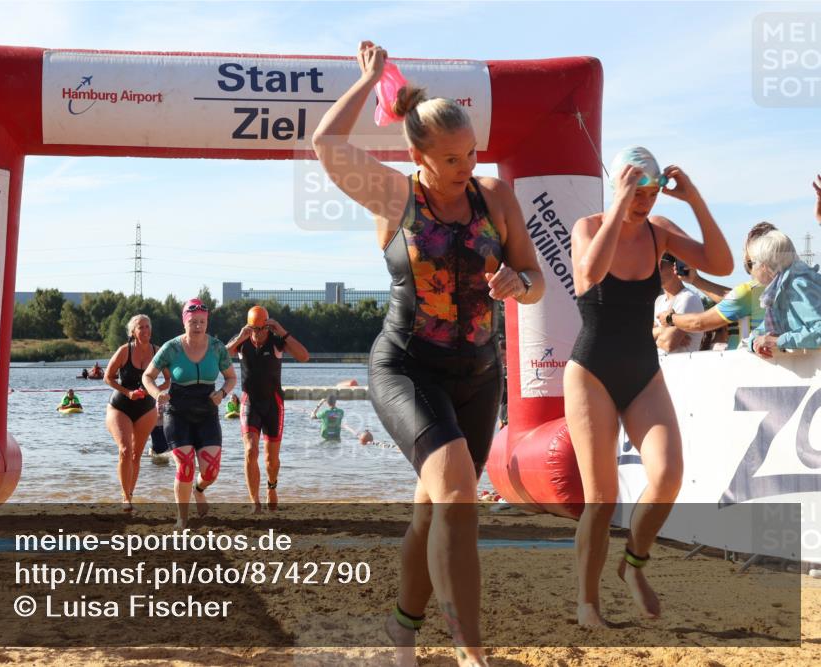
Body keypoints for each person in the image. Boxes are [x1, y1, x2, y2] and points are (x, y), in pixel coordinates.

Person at [313, 41, 544, 667]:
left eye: (471, 152)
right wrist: (366, 82)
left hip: (478, 372)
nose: (466, 165)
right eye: (450, 158)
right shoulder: (396, 197)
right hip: (406, 367)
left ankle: (402, 627)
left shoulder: (494, 197)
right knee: (458, 494)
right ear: (417, 157)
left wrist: (518, 285)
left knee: (433, 507)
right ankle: (470, 653)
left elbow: (536, 277)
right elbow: (326, 146)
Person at [566, 146, 732, 628]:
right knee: (601, 498)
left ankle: (633, 564)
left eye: (651, 191)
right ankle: (587, 603)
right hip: (591, 370)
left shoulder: (660, 232)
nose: (644, 200)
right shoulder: (589, 226)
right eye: (635, 190)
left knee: (668, 475)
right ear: (617, 186)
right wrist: (619, 206)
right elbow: (588, 274)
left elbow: (720, 264)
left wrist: (694, 199)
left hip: (641, 370)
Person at [143, 299, 236, 528]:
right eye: (193, 321)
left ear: (207, 322)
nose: (198, 326)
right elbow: (147, 376)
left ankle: (199, 489)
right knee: (185, 467)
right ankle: (182, 519)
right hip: (178, 413)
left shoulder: (217, 348)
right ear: (185, 322)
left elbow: (231, 377)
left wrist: (223, 393)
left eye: (202, 321)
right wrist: (157, 394)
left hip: (207, 413)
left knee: (211, 472)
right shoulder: (171, 347)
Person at [226, 305, 310, 512]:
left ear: (268, 326)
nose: (258, 333)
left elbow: (304, 356)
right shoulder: (242, 343)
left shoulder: (277, 342)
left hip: (273, 404)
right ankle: (254, 501)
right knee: (249, 451)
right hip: (250, 403)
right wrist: (239, 338)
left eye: (262, 328)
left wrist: (282, 331)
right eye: (254, 329)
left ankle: (271, 487)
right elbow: (220, 356)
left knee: (271, 460)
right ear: (248, 327)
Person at [656, 222, 776, 348]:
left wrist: (671, 318)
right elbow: (732, 297)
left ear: (751, 255)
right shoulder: (775, 288)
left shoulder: (748, 292)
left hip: (744, 363)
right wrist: (695, 280)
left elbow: (699, 323)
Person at [104, 314, 161, 511]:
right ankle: (125, 497)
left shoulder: (158, 351)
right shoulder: (124, 351)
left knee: (136, 455)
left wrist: (156, 391)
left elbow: (169, 379)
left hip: (146, 408)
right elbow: (108, 377)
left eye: (148, 327)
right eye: (141, 327)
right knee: (125, 450)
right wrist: (128, 392)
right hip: (120, 406)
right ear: (133, 332)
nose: (145, 331)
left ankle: (130, 494)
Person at [745, 230, 821, 356]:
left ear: (764, 266)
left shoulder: (797, 285)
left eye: (752, 263)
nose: (751, 270)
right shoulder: (779, 290)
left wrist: (779, 341)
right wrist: (754, 343)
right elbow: (763, 331)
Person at [652, 254, 704, 355]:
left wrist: (654, 333)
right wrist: (663, 330)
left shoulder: (688, 298)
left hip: (680, 368)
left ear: (675, 267)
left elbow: (668, 343)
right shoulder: (659, 300)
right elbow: (640, 336)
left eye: (659, 265)